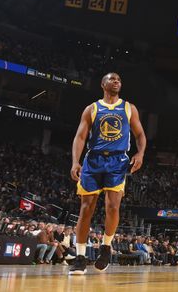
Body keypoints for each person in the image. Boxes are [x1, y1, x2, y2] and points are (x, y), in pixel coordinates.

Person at [69, 72, 147, 275]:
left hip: (117, 161)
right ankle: (80, 257)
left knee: (113, 207)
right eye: (112, 79)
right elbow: (80, 137)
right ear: (103, 84)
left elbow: (140, 134)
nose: (117, 81)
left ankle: (106, 246)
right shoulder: (92, 109)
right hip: (93, 160)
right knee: (86, 209)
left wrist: (140, 153)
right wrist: (75, 162)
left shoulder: (129, 108)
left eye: (119, 79)